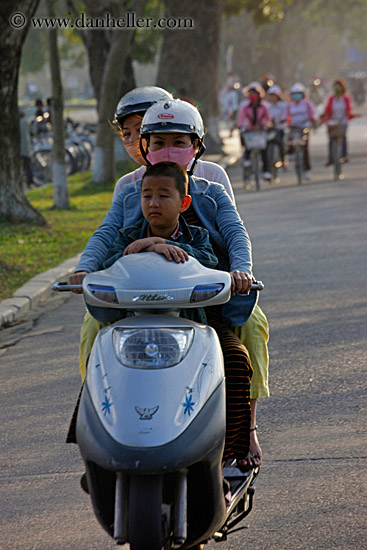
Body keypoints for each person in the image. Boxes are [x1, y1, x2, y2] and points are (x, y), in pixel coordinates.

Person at [74, 93, 269, 469]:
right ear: (144, 146)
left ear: (196, 146)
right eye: (158, 142)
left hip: (200, 298)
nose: (168, 150)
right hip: (136, 299)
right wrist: (86, 268)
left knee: (251, 331)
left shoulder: (210, 189)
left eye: (179, 142)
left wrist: (241, 272)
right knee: (91, 331)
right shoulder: (129, 190)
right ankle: (102, 419)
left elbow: (233, 235)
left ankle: (246, 432)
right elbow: (106, 235)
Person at [237, 81, 272, 181]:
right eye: (250, 93)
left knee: (265, 150)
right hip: (250, 130)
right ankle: (247, 159)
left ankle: (266, 172)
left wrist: (264, 125)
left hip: (261, 130)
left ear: (258, 94)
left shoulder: (264, 106)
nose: (252, 95)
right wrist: (239, 126)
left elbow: (268, 119)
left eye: (254, 93)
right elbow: (241, 119)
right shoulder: (245, 107)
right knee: (246, 143)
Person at [283, 83, 317, 180]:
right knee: (288, 140)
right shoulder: (290, 105)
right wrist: (283, 119)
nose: (296, 96)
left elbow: (313, 112)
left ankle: (307, 170)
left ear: (303, 94)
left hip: (304, 127)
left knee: (305, 148)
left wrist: (313, 118)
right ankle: (291, 155)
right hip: (293, 127)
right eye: (294, 94)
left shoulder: (307, 103)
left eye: (299, 93)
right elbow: (285, 115)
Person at [320, 79, 354, 166]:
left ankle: (344, 155)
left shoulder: (345, 98)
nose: (337, 90)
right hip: (333, 121)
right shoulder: (331, 99)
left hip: (343, 120)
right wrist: (324, 115)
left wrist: (350, 113)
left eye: (339, 88)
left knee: (343, 137)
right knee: (331, 139)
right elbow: (327, 109)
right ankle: (330, 159)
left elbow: (349, 108)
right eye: (336, 88)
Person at [267, 85, 287, 168]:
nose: (272, 98)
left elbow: (286, 114)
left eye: (274, 96)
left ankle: (283, 160)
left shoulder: (283, 105)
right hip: (270, 128)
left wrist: (283, 120)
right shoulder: (267, 106)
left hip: (280, 127)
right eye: (271, 96)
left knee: (281, 143)